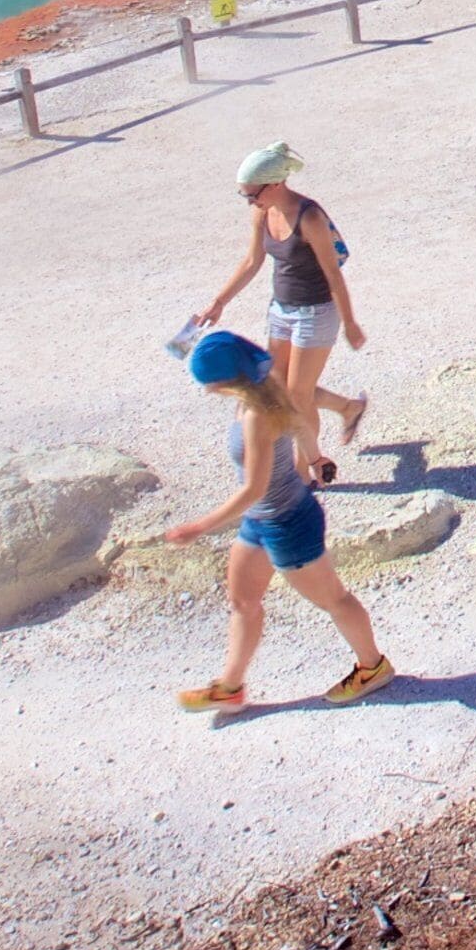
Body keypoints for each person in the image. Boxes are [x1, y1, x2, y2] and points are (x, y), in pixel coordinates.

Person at [165, 330, 395, 713]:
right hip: (260, 521)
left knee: (334, 599)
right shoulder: (263, 390)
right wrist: (315, 458)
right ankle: (230, 689)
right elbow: (298, 421)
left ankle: (373, 667)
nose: (206, 389)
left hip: (289, 523)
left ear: (227, 379)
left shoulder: (256, 415)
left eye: (209, 382)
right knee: (243, 600)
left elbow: (254, 488)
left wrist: (199, 527)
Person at [198, 142, 365, 483]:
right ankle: (349, 407)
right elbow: (251, 261)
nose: (250, 201)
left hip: (316, 313)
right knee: (277, 390)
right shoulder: (262, 212)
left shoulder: (310, 217)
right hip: (281, 310)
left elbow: (333, 274)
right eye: (244, 195)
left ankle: (304, 473)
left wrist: (349, 322)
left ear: (275, 184)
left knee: (298, 397)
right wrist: (219, 302)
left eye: (252, 194)